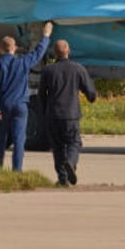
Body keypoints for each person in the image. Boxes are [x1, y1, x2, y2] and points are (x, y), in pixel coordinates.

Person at [0, 21, 53, 171]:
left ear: (0, 49)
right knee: (19, 141)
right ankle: (17, 171)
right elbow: (38, 53)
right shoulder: (22, 62)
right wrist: (46, 36)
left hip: (3, 106)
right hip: (20, 106)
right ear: (14, 48)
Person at [38, 39, 97, 186]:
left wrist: (45, 112)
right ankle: (70, 162)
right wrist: (92, 96)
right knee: (74, 143)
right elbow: (91, 93)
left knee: (57, 147)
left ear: (54, 53)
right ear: (68, 51)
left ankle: (62, 179)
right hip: (71, 115)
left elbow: (41, 96)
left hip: (53, 115)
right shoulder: (78, 69)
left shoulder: (47, 70)